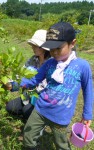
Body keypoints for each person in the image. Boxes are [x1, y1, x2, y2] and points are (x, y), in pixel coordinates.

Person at [20, 22, 93, 150]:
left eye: (58, 48)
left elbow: (88, 90)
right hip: (41, 109)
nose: (54, 52)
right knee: (28, 135)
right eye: (51, 49)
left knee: (61, 144)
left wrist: (87, 114)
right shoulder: (49, 64)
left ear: (72, 43)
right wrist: (15, 84)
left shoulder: (82, 66)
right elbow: (35, 79)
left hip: (61, 116)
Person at [5, 29, 51, 119]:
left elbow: (42, 86)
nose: (32, 47)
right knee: (10, 107)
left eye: (35, 45)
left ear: (43, 48)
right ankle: (30, 113)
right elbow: (22, 73)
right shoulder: (33, 59)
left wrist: (17, 85)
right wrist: (11, 82)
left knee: (27, 110)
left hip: (42, 99)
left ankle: (40, 118)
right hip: (28, 96)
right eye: (33, 45)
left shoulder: (51, 63)